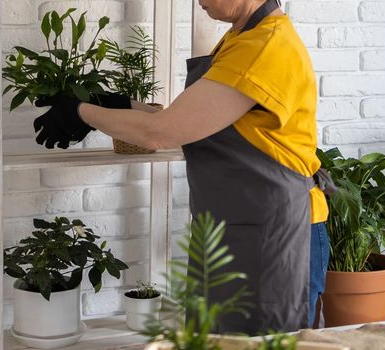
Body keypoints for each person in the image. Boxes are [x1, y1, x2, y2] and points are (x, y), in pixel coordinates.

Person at [32, 0, 330, 333]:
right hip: (236, 229)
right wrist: (115, 104)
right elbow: (188, 120)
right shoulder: (241, 38)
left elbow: (161, 133)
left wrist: (81, 113)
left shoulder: (266, 46)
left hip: (278, 237)